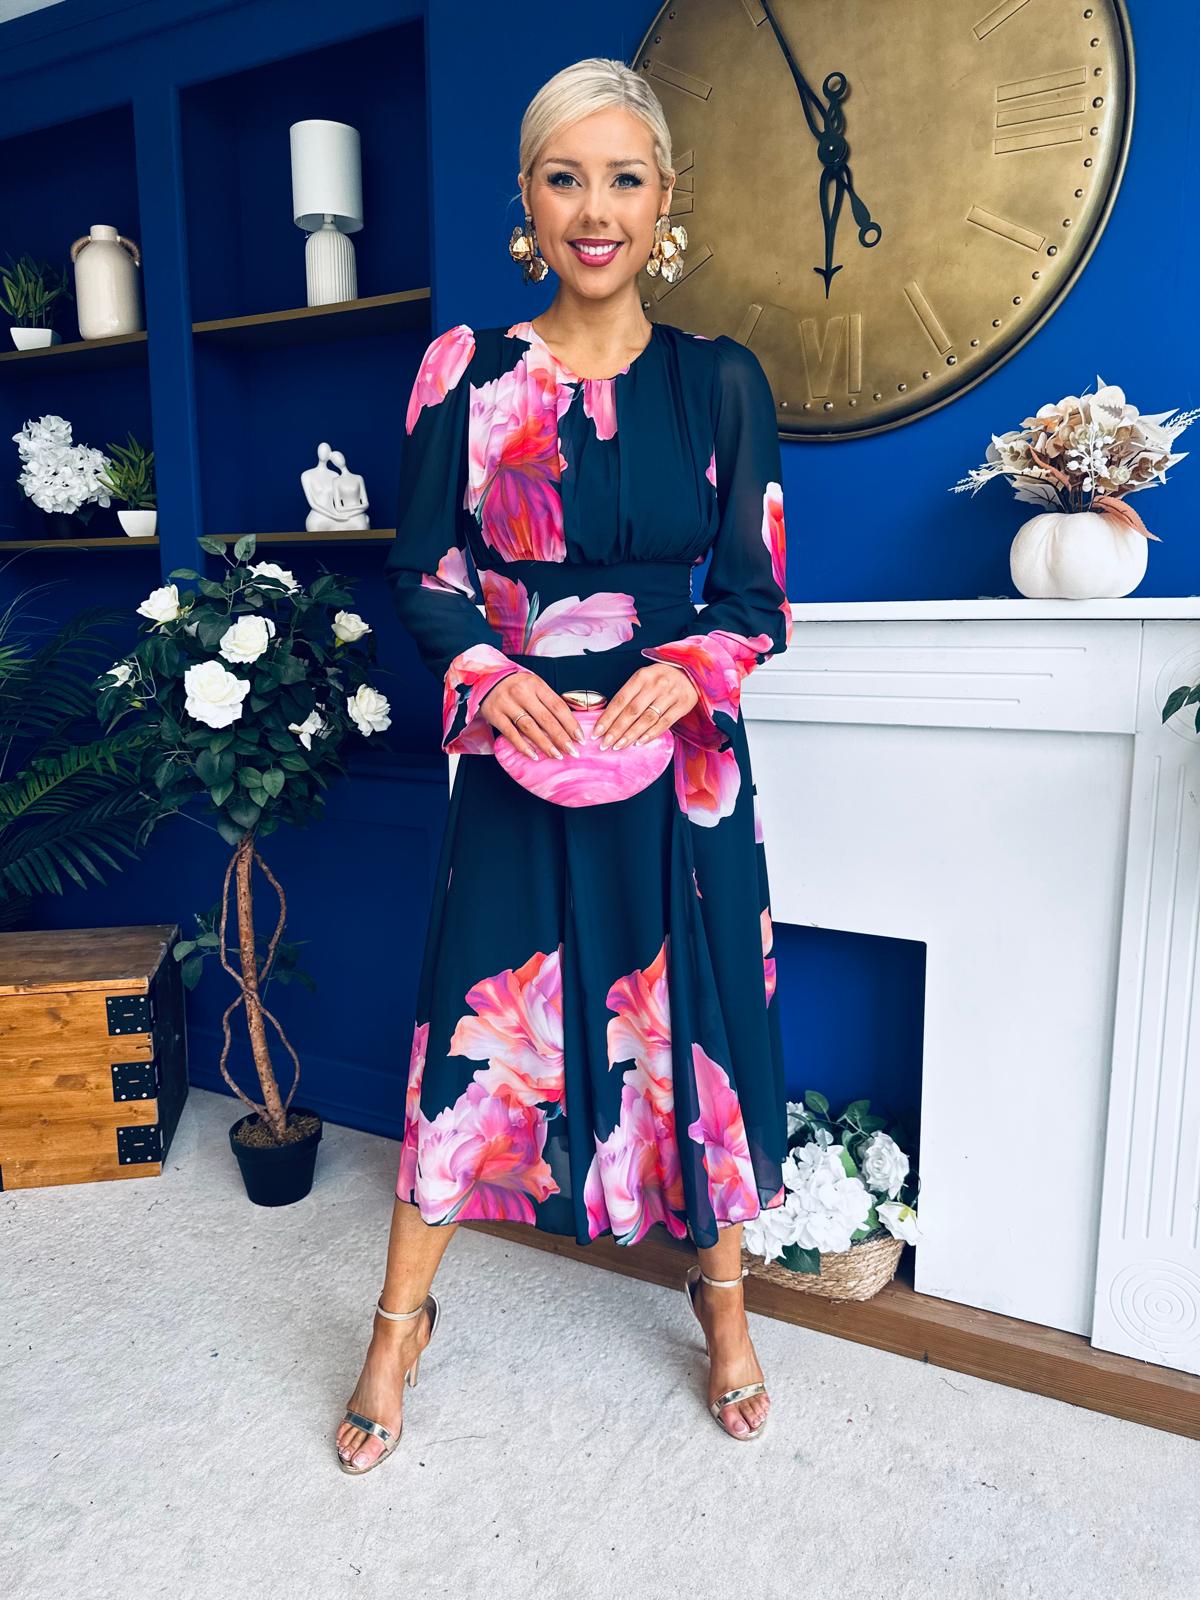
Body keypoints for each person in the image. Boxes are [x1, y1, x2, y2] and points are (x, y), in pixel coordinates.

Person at [336, 55, 793, 1474]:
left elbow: (756, 594)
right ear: (529, 202)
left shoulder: (722, 381)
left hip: (676, 757)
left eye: (625, 179)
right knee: (474, 1030)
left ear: (665, 200)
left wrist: (692, 669)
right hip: (518, 744)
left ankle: (723, 1308)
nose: (597, 209)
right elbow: (423, 571)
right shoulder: (466, 372)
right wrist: (490, 671)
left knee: (693, 1025)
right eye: (566, 178)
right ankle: (398, 1325)